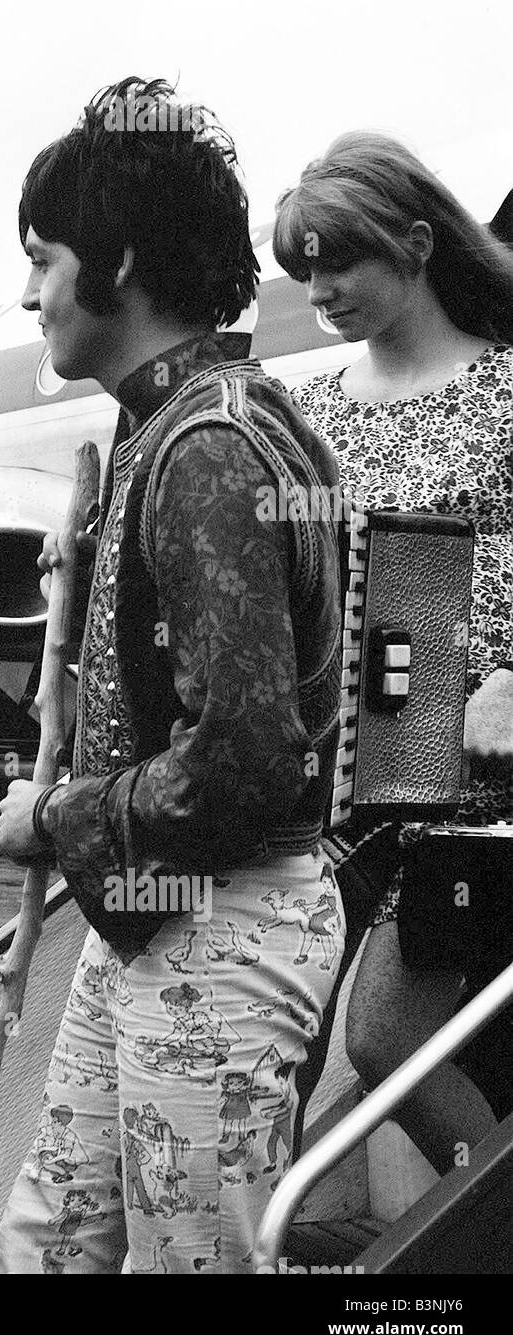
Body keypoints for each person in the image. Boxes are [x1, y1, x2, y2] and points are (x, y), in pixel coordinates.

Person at [0, 77, 346, 1273]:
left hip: (220, 927)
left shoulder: (200, 446)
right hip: (157, 923)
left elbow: (247, 753)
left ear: (122, 259)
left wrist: (53, 814)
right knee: (49, 1246)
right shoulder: (207, 423)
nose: (31, 290)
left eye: (44, 258)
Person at [274, 133, 513, 1171]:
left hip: (472, 774)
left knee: (385, 1035)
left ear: (415, 244)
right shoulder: (311, 410)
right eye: (305, 271)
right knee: (278, 1036)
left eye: (340, 263)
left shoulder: (504, 391)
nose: (321, 290)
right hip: (342, 774)